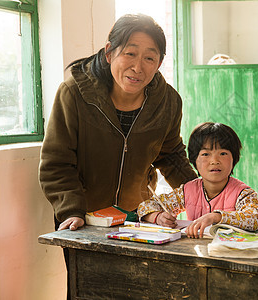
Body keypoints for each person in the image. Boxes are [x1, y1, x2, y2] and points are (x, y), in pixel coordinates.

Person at [39, 13, 197, 232]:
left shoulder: (167, 102)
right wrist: (72, 211)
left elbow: (171, 157)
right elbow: (57, 163)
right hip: (84, 219)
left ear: (159, 63)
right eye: (130, 53)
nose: (138, 67)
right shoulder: (74, 94)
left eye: (149, 58)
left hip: (137, 217)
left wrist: (205, 197)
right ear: (109, 53)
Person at [138, 122, 258, 238]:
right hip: (195, 253)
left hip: (231, 253)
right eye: (205, 154)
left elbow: (254, 218)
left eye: (223, 153)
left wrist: (215, 217)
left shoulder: (242, 193)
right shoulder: (187, 191)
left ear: (234, 159)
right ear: (194, 161)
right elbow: (145, 206)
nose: (215, 161)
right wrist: (157, 217)